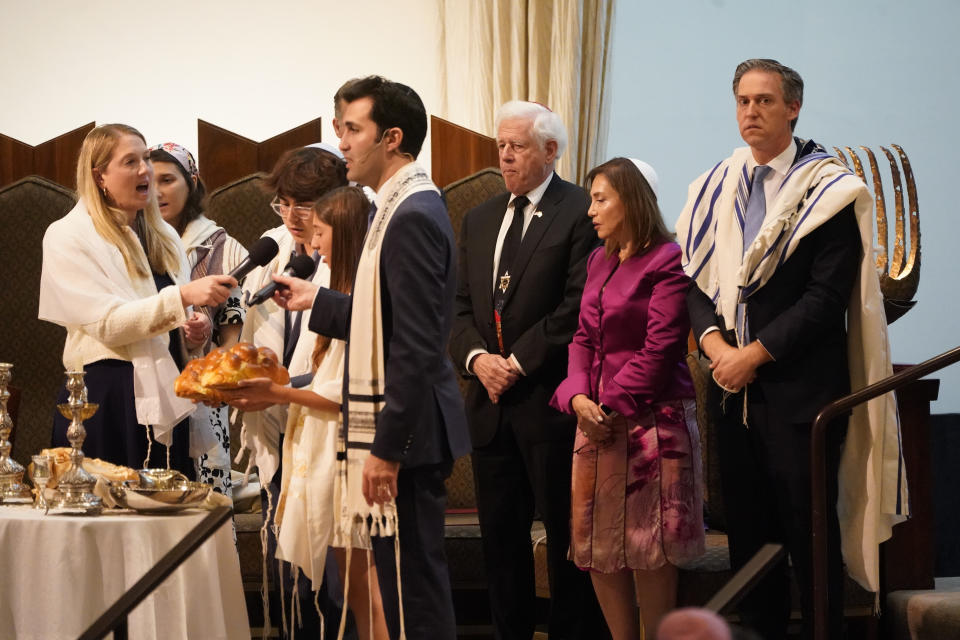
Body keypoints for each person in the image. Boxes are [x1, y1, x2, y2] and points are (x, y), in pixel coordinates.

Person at [675, 59, 907, 638]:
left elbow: (825, 299)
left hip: (801, 397)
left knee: (807, 536)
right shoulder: (715, 185)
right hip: (732, 393)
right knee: (750, 541)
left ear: (793, 107)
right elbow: (695, 281)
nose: (751, 112)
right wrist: (713, 346)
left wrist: (751, 355)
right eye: (743, 101)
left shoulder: (828, 188)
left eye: (764, 101)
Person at [271, 75, 471, 640]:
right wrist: (323, 303)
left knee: (413, 597)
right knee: (405, 587)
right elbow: (380, 316)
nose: (343, 142)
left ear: (393, 138)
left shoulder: (410, 215)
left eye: (354, 129)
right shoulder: (397, 207)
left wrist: (387, 449)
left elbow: (414, 344)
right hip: (407, 432)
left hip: (407, 438)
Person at [448, 100, 606, 640]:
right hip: (489, 406)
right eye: (501, 146)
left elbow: (577, 305)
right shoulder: (479, 216)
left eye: (517, 146)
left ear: (550, 150)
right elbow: (460, 305)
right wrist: (477, 360)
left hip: (551, 404)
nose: (506, 156)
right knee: (501, 540)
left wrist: (515, 363)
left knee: (567, 538)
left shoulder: (581, 210)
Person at [222, 186, 388, 640]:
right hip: (316, 447)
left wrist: (279, 394)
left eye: (321, 232)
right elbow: (315, 375)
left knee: (362, 588)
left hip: (348, 452)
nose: (312, 246)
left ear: (349, 233)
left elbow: (344, 392)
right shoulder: (337, 290)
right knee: (340, 580)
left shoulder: (365, 297)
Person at [551, 158, 704, 639]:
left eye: (600, 199)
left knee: (648, 546)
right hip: (594, 420)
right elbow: (581, 337)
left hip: (651, 423)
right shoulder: (599, 259)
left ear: (630, 200)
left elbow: (660, 348)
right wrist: (577, 397)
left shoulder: (667, 258)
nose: (590, 210)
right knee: (596, 546)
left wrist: (611, 405)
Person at [38, 124, 235, 474]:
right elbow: (108, 324)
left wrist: (194, 333)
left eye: (145, 158)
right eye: (131, 161)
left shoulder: (165, 237)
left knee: (171, 522)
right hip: (107, 400)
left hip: (167, 395)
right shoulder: (68, 236)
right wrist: (183, 297)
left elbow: (170, 323)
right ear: (99, 176)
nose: (145, 170)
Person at [236, 146, 348, 638]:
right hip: (274, 422)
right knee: (285, 568)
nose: (293, 217)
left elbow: (342, 363)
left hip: (324, 423)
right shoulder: (271, 249)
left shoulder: (347, 255)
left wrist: (281, 390)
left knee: (326, 569)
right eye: (283, 202)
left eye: (304, 204)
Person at [149, 141, 247, 496]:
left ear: (191, 182)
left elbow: (239, 323)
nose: (157, 191)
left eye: (168, 180)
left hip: (205, 392)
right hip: (149, 387)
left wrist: (208, 336)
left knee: (205, 504)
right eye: (150, 180)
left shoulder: (222, 246)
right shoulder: (134, 244)